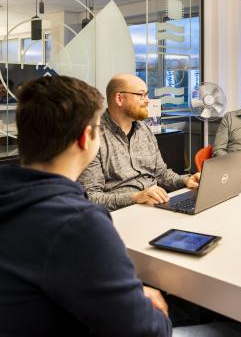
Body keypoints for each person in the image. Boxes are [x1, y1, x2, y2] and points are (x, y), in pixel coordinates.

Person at [0, 75, 172, 336]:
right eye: (97, 128)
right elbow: (147, 331)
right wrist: (154, 309)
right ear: (85, 138)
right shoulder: (80, 224)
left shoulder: (15, 201)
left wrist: (128, 294)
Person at [78, 73, 200, 211]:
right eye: (141, 95)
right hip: (121, 213)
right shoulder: (94, 136)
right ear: (119, 98)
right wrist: (136, 197)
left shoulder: (144, 129)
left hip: (154, 205)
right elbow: (91, 197)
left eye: (147, 95)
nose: (147, 100)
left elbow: (160, 173)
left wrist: (185, 180)